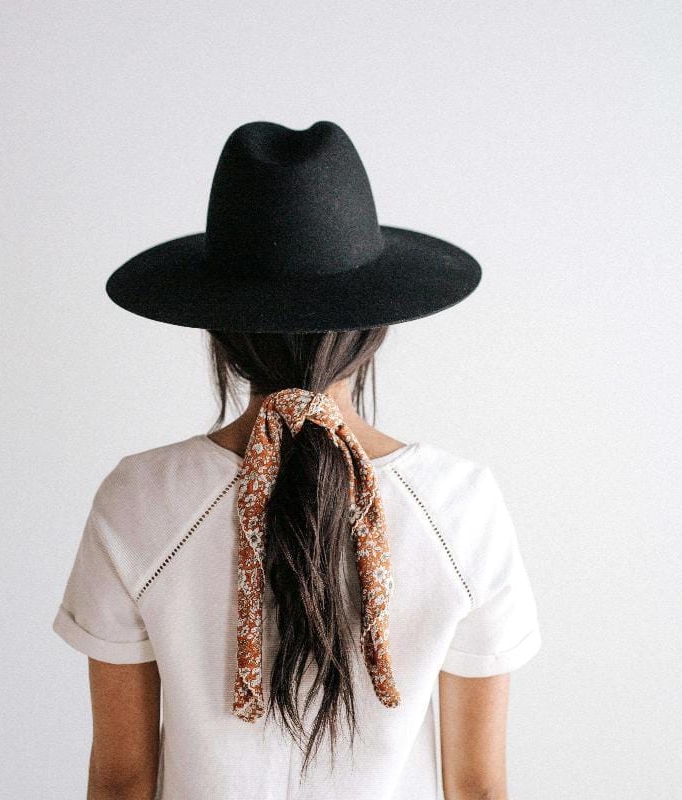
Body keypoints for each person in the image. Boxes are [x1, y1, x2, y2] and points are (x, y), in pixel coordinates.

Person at [52, 120, 542, 800]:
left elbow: (122, 780)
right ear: (377, 329)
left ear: (220, 334)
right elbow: (477, 788)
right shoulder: (461, 506)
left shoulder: (137, 500)